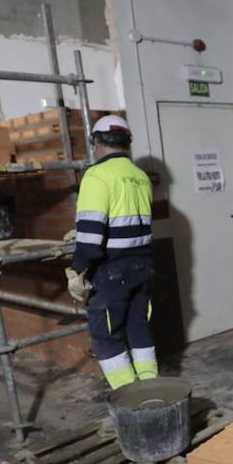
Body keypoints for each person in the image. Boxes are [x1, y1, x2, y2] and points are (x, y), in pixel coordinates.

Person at [66, 115, 158, 389]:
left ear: (95, 142)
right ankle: (152, 389)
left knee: (106, 334)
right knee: (138, 328)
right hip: (143, 266)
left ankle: (130, 396)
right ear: (127, 142)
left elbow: (91, 239)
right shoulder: (141, 176)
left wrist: (77, 270)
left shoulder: (97, 175)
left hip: (111, 271)